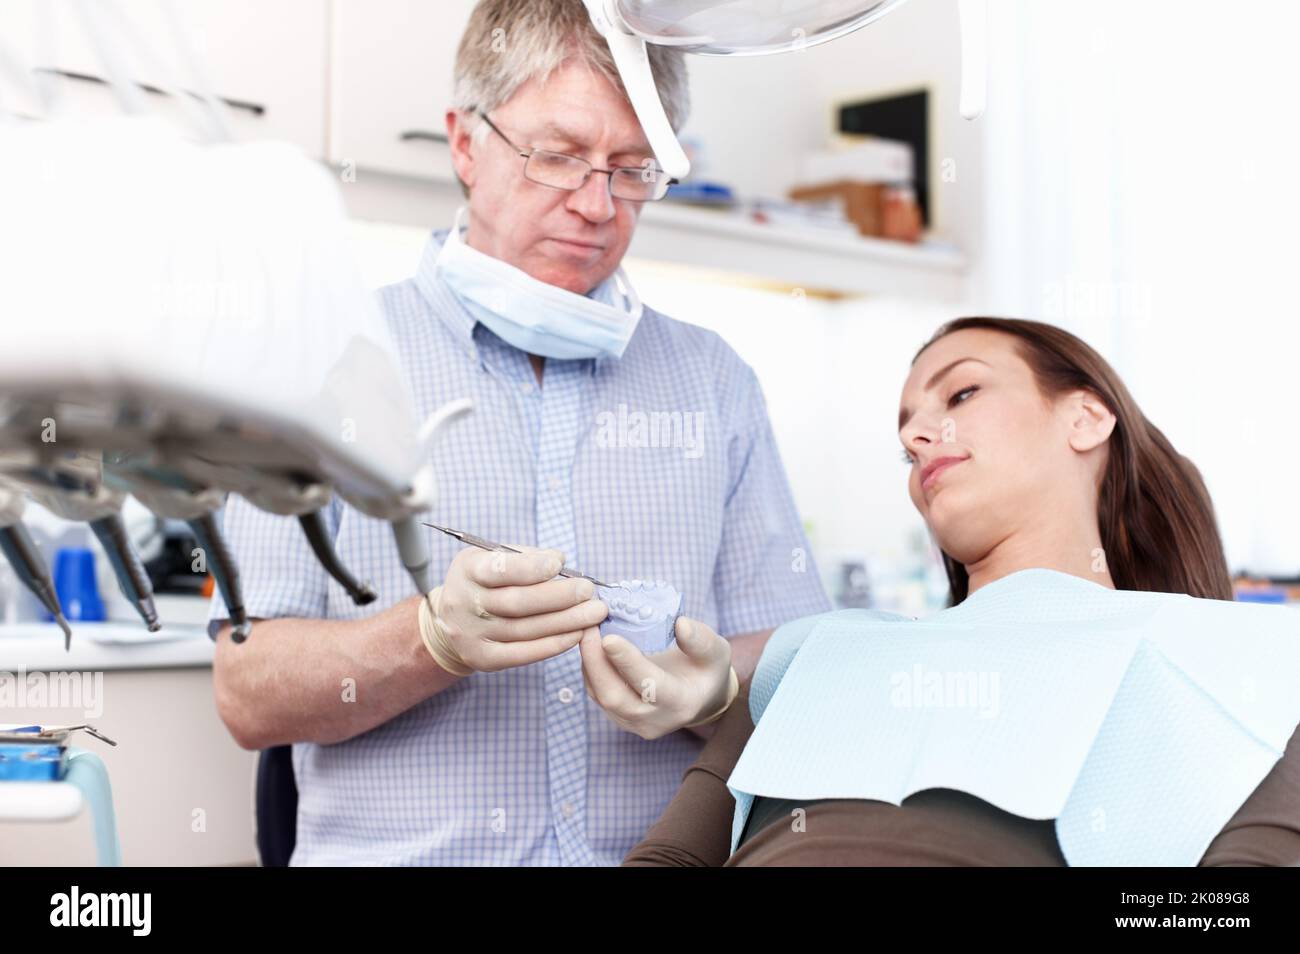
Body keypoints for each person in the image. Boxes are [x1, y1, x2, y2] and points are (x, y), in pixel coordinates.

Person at [207, 0, 830, 866]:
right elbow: (247, 692)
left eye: (633, 167)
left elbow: (803, 667)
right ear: (466, 143)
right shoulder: (322, 363)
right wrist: (427, 640)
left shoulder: (713, 382)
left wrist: (720, 690)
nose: (596, 203)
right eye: (558, 156)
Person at [624, 317, 1300, 866]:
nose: (916, 438)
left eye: (962, 394)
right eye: (905, 436)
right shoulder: (814, 656)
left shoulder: (1235, 664)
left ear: (1087, 418)